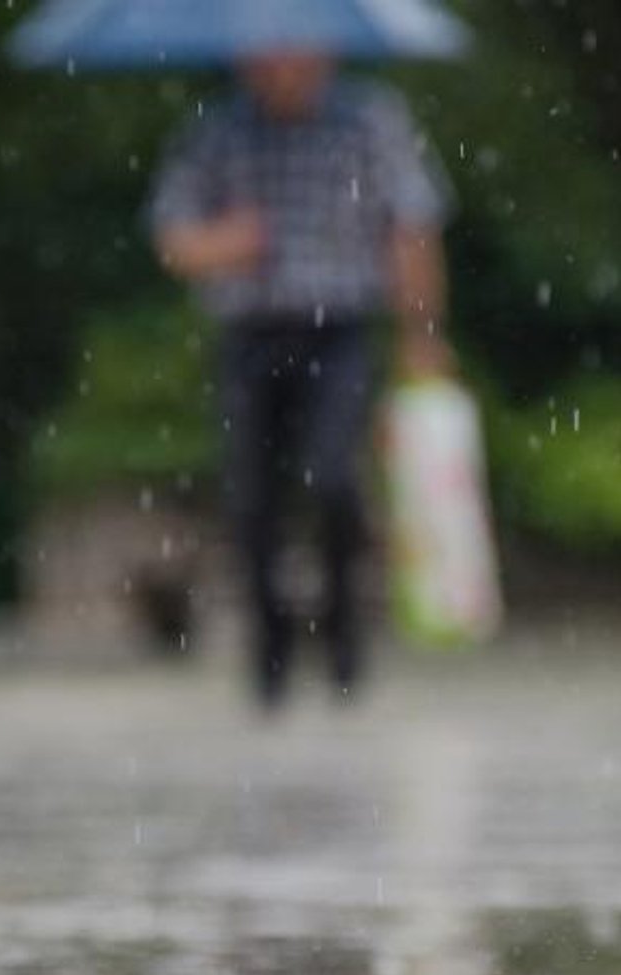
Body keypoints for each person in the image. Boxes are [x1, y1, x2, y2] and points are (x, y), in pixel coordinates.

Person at [149, 50, 452, 708]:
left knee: (334, 477)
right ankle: (272, 644)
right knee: (251, 497)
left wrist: (421, 332)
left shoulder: (372, 121)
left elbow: (412, 226)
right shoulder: (217, 131)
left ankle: (343, 628)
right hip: (249, 333)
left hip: (339, 331)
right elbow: (174, 237)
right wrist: (221, 243)